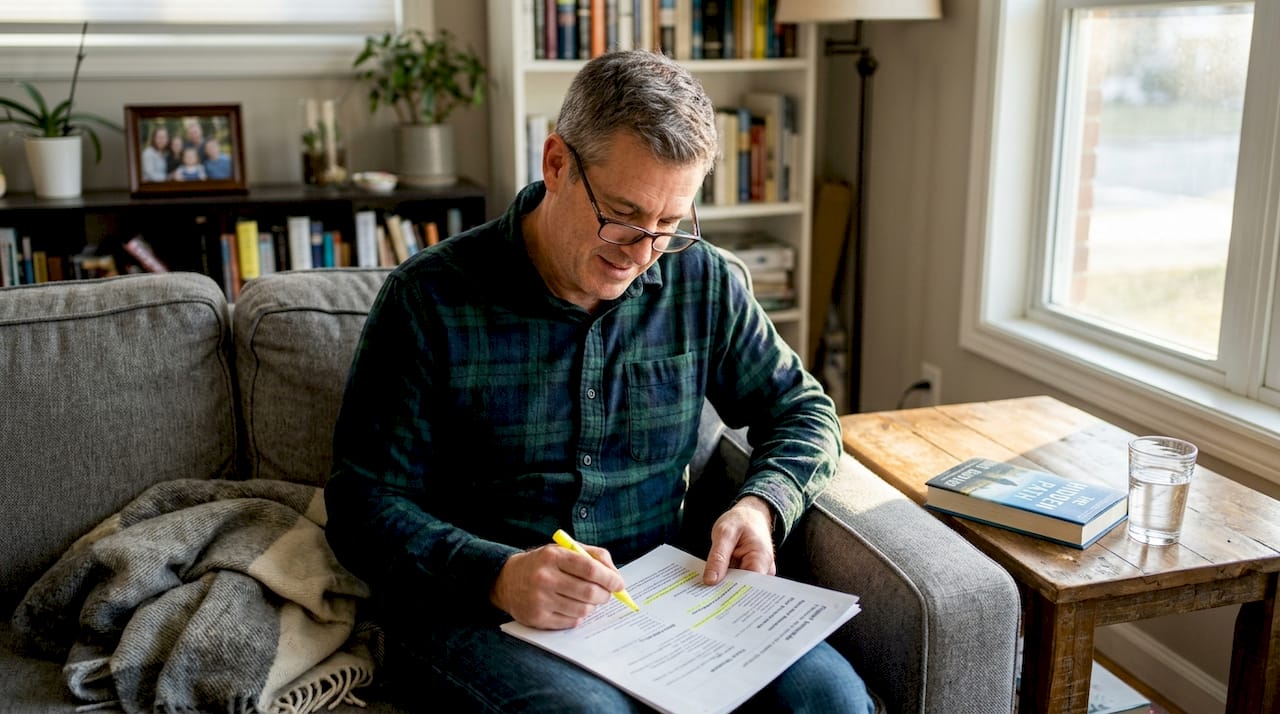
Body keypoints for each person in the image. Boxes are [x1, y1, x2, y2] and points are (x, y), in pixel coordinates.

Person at [325, 49, 874, 713]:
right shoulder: (428, 300)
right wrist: (496, 575)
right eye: (621, 214)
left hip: (661, 605)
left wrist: (762, 503)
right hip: (479, 613)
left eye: (669, 226)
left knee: (833, 699)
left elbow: (804, 410)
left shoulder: (702, 283)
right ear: (556, 164)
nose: (641, 254)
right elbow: (362, 505)